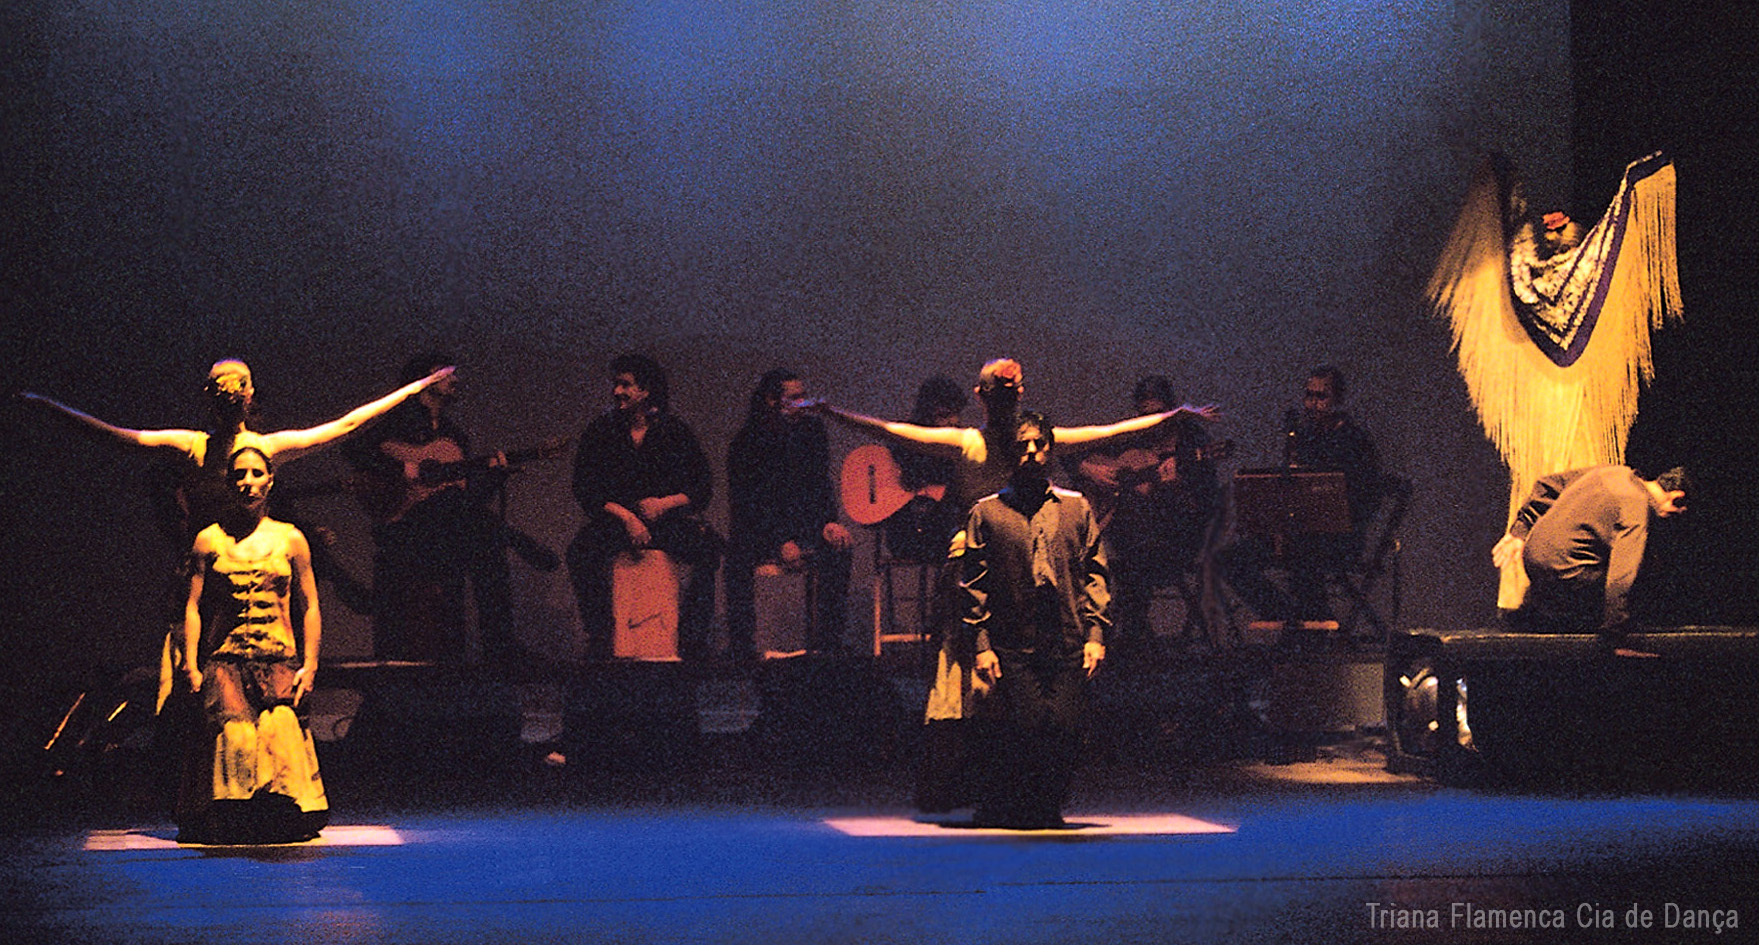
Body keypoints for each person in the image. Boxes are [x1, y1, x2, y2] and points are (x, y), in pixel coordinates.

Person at [812, 358, 1214, 811]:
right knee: (973, 677)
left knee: (1028, 680)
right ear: (983, 395)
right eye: (1001, 392)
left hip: (1027, 578)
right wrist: (834, 413)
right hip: (979, 580)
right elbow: (893, 432)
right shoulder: (967, 443)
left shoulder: (1035, 440)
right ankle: (974, 778)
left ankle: (1023, 777)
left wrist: (1172, 417)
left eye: (1013, 391)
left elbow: (1111, 433)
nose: (1009, 398)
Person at [20, 359, 453, 708]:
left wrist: (413, 389)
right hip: (207, 579)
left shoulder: (263, 449)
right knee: (196, 688)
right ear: (213, 396)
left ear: (248, 393)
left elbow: (346, 425)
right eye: (223, 386)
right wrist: (51, 407)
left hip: (258, 580)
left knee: (260, 682)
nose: (231, 392)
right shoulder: (193, 446)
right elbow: (121, 437)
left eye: (238, 385)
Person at [959, 412, 1108, 828]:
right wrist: (982, 644)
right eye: (1023, 445)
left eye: (1039, 445)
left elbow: (1094, 573)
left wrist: (1096, 634)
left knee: (1065, 725)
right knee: (1028, 725)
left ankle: (1046, 806)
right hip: (1014, 639)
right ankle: (1024, 807)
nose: (1031, 453)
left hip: (1065, 635)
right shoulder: (987, 513)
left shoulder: (1075, 508)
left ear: (1050, 449)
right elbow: (973, 583)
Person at [178, 447, 328, 844]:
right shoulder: (209, 539)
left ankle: (280, 812)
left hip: (277, 656)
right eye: (239, 475)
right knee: (237, 738)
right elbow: (191, 606)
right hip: (227, 659)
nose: (248, 482)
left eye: (256, 473)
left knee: (279, 732)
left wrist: (310, 664)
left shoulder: (290, 538)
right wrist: (192, 665)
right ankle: (228, 812)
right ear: (229, 483)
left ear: (270, 479)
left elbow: (310, 605)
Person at [343, 356, 521, 668]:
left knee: (481, 537)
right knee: (479, 528)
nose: (456, 381)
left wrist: (495, 476)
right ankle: (520, 549)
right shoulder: (397, 423)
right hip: (405, 525)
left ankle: (500, 647)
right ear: (427, 381)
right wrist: (404, 467)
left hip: (447, 526)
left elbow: (468, 495)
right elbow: (353, 450)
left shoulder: (455, 436)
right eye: (448, 374)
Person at [567, 354, 721, 662]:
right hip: (618, 522)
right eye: (616, 384)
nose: (617, 392)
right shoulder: (602, 430)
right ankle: (601, 634)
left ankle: (692, 638)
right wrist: (627, 518)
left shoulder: (674, 430)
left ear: (646, 391)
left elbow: (702, 486)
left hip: (663, 521)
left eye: (626, 385)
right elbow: (585, 488)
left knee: (710, 548)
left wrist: (664, 504)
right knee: (580, 552)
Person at [1068, 375, 1224, 658]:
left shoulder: (1192, 443)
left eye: (1158, 415)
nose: (1153, 423)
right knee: (1127, 519)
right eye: (1145, 415)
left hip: (1175, 539)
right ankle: (1116, 633)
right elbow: (1070, 454)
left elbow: (1203, 506)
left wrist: (1174, 488)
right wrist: (1088, 470)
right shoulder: (1133, 438)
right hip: (1130, 542)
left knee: (1135, 539)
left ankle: (1127, 635)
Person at [1221, 365, 1381, 626]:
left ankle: (1313, 625)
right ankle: (1289, 617)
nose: (1312, 404)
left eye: (1321, 397)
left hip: (1339, 539)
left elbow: (1366, 498)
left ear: (1337, 400)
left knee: (1302, 554)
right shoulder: (1303, 436)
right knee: (1229, 559)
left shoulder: (1354, 440)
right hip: (1299, 532)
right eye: (1309, 395)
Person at [724, 369, 854, 659]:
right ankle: (743, 647)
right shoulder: (747, 441)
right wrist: (779, 541)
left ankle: (828, 641)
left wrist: (830, 522)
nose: (803, 403)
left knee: (839, 548)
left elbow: (820, 484)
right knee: (736, 559)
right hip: (760, 530)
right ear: (772, 400)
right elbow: (749, 503)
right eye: (795, 398)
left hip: (803, 525)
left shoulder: (811, 432)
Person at [1491, 465, 1689, 633]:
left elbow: (1547, 484)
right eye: (1678, 512)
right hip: (1568, 572)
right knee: (1645, 567)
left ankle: (1537, 616)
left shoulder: (1612, 471)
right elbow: (1623, 575)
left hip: (1532, 561)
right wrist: (1617, 632)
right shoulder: (1637, 508)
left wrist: (1520, 530)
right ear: (1677, 497)